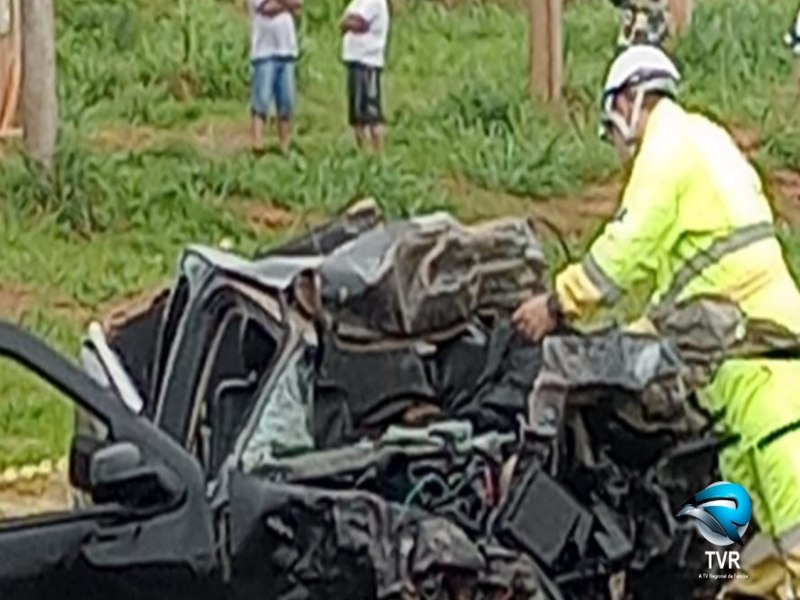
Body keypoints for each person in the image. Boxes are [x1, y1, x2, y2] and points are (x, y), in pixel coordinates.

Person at [512, 44, 800, 597]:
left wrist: (557, 304)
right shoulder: (708, 141)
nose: (617, 146)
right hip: (738, 361)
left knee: (791, 520)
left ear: (627, 99)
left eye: (611, 125)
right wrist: (633, 338)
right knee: (739, 534)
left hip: (762, 369)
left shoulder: (666, 147)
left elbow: (625, 248)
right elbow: (680, 292)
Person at [248, 0, 302, 154]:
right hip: (264, 51)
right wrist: (287, 5)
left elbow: (299, 4)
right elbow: (266, 8)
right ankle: (257, 144)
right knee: (261, 100)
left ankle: (284, 145)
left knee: (286, 102)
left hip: (287, 50)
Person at [340, 0, 390, 152]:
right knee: (357, 115)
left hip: (368, 62)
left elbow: (358, 23)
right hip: (355, 60)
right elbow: (346, 21)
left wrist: (348, 22)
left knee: (372, 112)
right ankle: (363, 153)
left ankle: (377, 153)